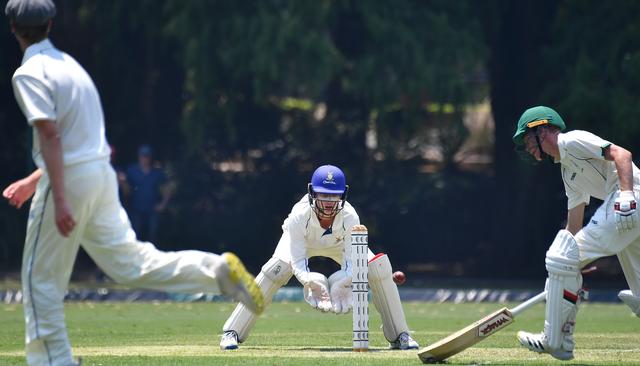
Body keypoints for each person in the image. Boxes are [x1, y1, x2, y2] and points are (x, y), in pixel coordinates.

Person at [2, 1, 263, 364]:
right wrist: (35, 180)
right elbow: (88, 144)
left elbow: (50, 135)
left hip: (72, 181)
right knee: (131, 264)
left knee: (39, 280)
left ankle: (53, 361)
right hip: (99, 176)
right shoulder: (73, 70)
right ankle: (216, 271)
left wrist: (59, 197)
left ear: (13, 28)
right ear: (50, 23)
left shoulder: (29, 72)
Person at [219, 164, 419, 350]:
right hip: (302, 242)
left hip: (339, 245)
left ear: (343, 194)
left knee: (377, 269)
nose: (329, 202)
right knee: (275, 269)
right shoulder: (299, 215)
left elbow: (353, 260)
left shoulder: (350, 217)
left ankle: (400, 335)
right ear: (312, 192)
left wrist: (344, 281)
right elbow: (297, 260)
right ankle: (232, 332)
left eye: (334, 195)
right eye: (323, 194)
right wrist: (309, 280)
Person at [511, 106, 640, 360]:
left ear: (542, 130)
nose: (527, 146)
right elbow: (573, 227)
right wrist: (572, 263)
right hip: (637, 212)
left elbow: (622, 154)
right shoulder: (567, 171)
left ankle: (555, 340)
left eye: (527, 139)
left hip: (630, 200)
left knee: (560, 257)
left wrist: (627, 195)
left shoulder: (573, 140)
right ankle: (561, 339)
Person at [121, 145, 171, 242]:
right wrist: (123, 183)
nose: (145, 159)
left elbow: (167, 188)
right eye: (143, 156)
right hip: (136, 209)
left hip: (152, 210)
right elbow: (127, 191)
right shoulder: (131, 170)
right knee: (134, 237)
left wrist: (163, 204)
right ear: (139, 156)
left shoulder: (157, 172)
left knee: (153, 237)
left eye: (147, 156)